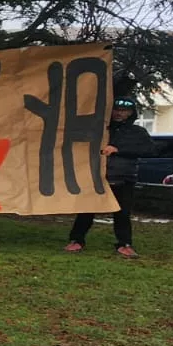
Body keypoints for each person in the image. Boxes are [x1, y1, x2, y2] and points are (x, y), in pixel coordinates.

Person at [66, 94, 154, 258]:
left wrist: (119, 149)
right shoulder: (100, 129)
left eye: (124, 110)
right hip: (97, 177)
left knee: (122, 213)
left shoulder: (138, 132)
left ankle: (124, 244)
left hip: (124, 178)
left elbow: (150, 150)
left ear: (131, 113)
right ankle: (76, 240)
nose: (119, 113)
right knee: (87, 210)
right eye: (116, 109)